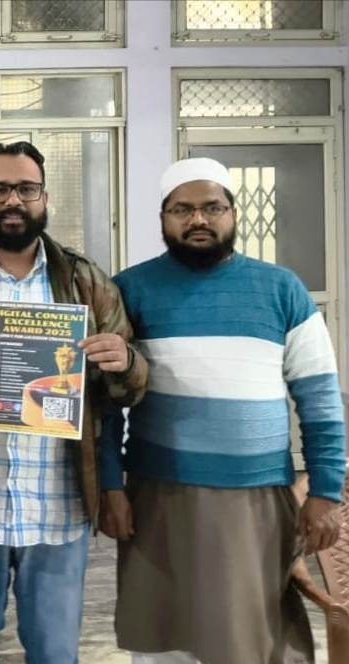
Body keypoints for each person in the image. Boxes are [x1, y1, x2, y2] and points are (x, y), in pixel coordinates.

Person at [0, 141, 149, 663]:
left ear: (45, 197)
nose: (14, 200)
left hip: (60, 503)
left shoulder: (86, 281)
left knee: (56, 652)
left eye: (26, 188)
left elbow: (129, 390)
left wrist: (124, 362)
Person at [102, 157, 345, 664]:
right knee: (165, 638)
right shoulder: (130, 289)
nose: (198, 219)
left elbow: (320, 400)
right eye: (182, 209)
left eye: (212, 207)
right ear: (163, 218)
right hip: (158, 493)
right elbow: (104, 403)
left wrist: (325, 491)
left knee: (249, 639)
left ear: (233, 213)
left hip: (256, 496)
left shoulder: (282, 289)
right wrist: (110, 486)